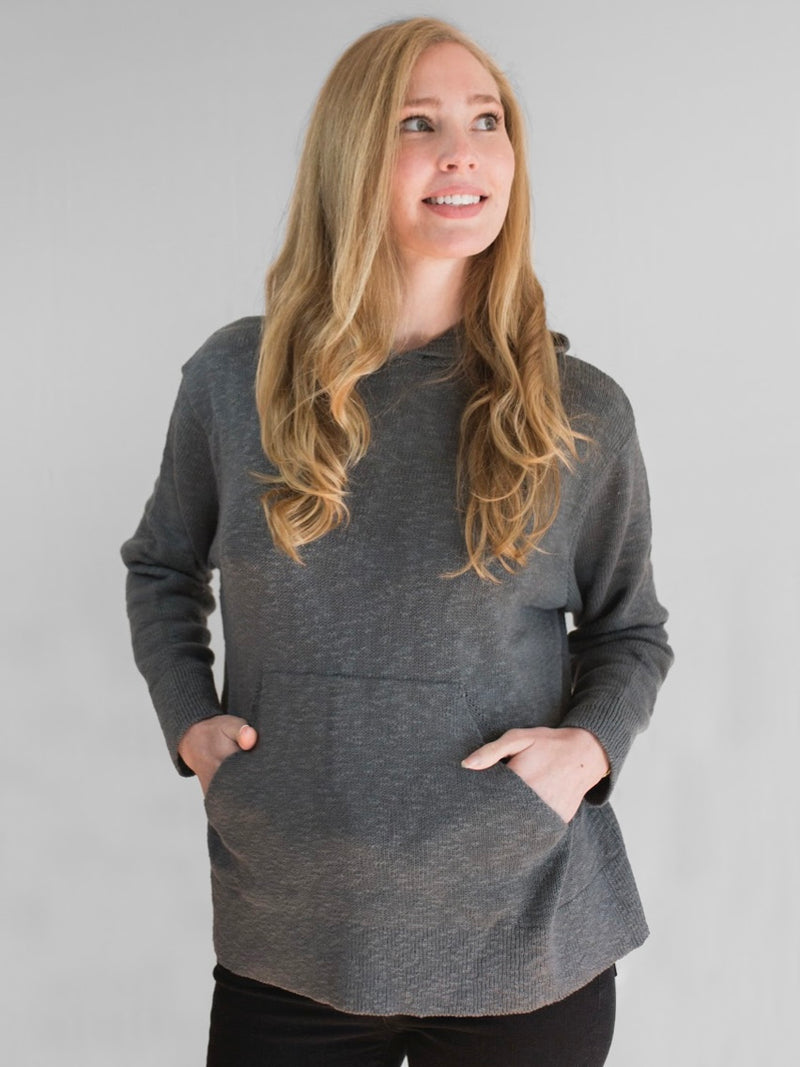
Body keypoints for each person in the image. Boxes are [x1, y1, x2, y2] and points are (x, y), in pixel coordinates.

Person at [121, 16, 673, 1067]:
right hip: (291, 934)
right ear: (350, 156)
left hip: (526, 937)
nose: (462, 152)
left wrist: (588, 749)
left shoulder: (577, 410)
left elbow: (629, 631)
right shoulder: (235, 382)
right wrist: (189, 723)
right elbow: (161, 566)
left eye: (486, 121)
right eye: (417, 124)